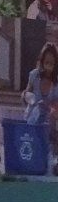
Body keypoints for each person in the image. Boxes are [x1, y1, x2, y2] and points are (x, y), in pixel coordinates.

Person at [28, 43, 58, 171]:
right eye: (46, 62)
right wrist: (27, 96)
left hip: (51, 119)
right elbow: (26, 93)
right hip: (34, 117)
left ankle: (55, 156)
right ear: (42, 61)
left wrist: (50, 106)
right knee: (38, 112)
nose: (49, 66)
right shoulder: (34, 75)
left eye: (52, 63)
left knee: (53, 117)